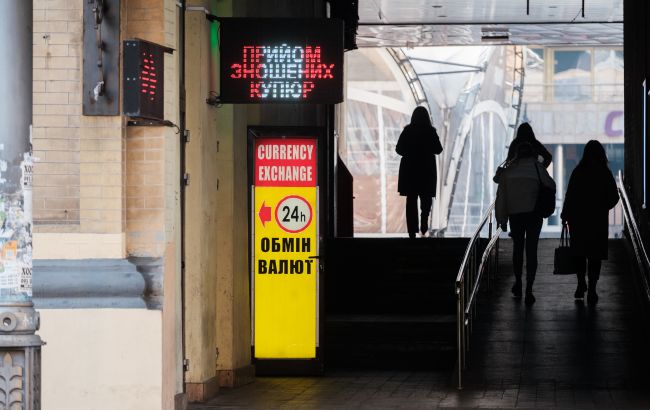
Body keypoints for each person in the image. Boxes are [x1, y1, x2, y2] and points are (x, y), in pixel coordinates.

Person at [496, 142, 556, 305]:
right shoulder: (537, 168)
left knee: (518, 249)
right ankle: (529, 288)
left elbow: (501, 198)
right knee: (531, 250)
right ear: (532, 154)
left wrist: (501, 219)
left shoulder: (508, 171)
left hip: (515, 215)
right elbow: (551, 185)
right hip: (534, 215)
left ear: (516, 154)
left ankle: (518, 283)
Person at [560, 140, 619, 304]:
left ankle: (581, 284)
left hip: (578, 220)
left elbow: (570, 195)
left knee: (579, 253)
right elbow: (614, 197)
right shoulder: (604, 172)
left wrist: (565, 215)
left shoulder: (578, 171)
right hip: (597, 221)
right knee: (595, 255)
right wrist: (603, 207)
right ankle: (592, 288)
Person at [396, 106, 443, 239]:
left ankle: (412, 230)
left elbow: (399, 149)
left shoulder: (407, 131)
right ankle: (424, 224)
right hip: (426, 171)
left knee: (411, 201)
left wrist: (410, 152)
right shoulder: (431, 131)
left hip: (410, 171)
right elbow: (438, 149)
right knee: (426, 199)